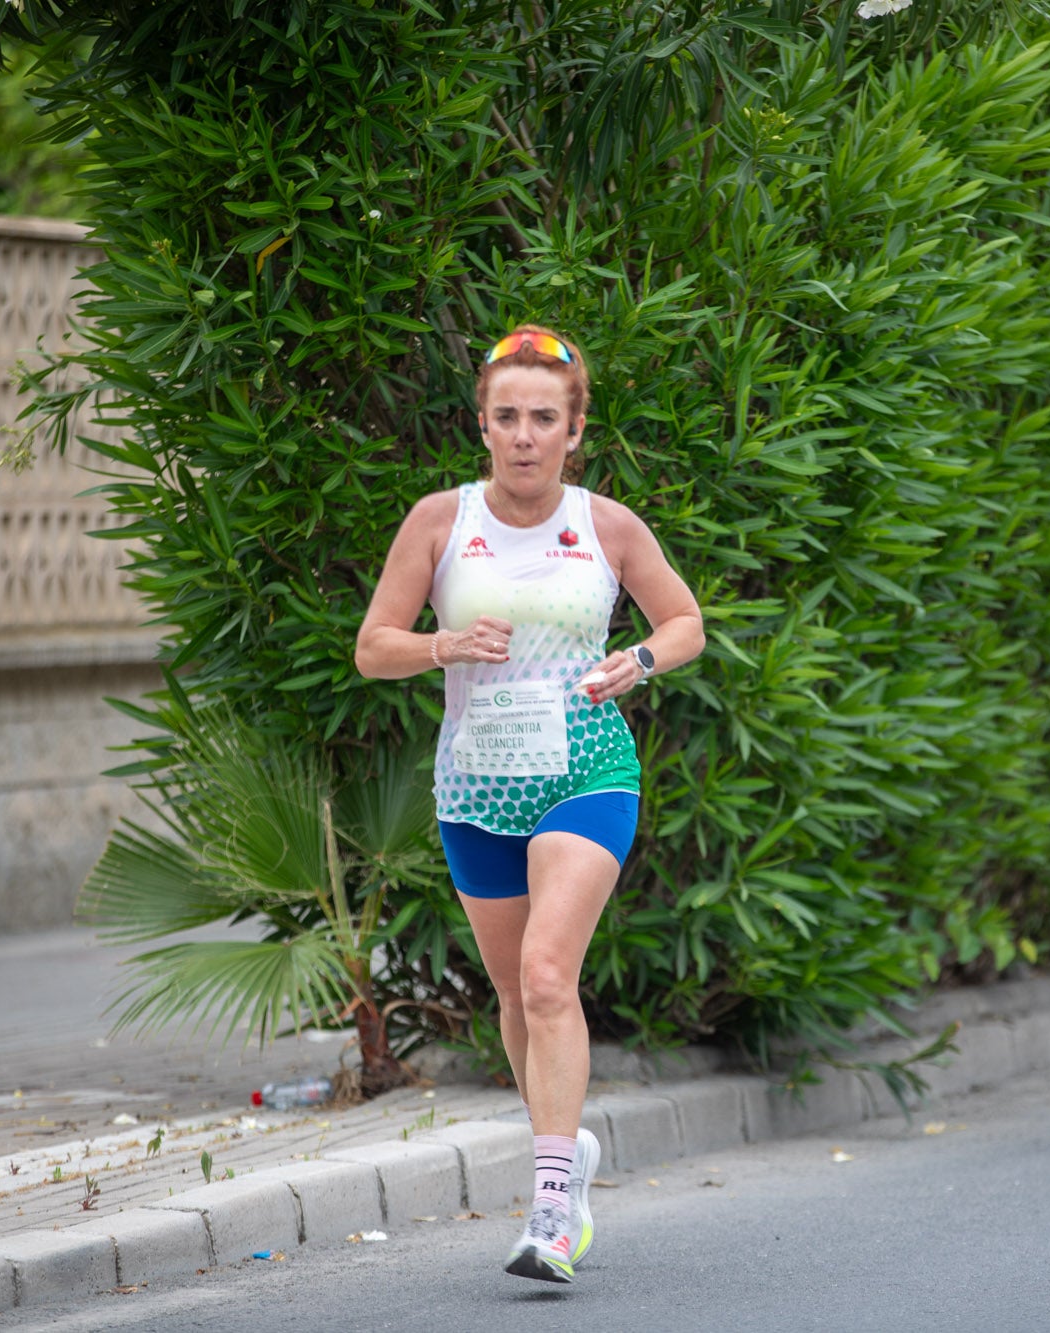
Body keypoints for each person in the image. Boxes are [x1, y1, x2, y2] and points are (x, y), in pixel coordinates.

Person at [354, 325, 705, 1281]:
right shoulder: (439, 520)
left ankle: (553, 1206)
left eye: (543, 418)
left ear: (574, 430)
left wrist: (634, 662)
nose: (523, 435)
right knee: (515, 992)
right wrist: (441, 647)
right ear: (481, 425)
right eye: (506, 416)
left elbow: (684, 623)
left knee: (550, 972)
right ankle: (569, 1147)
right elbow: (372, 643)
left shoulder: (607, 525)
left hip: (587, 767)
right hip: (476, 782)